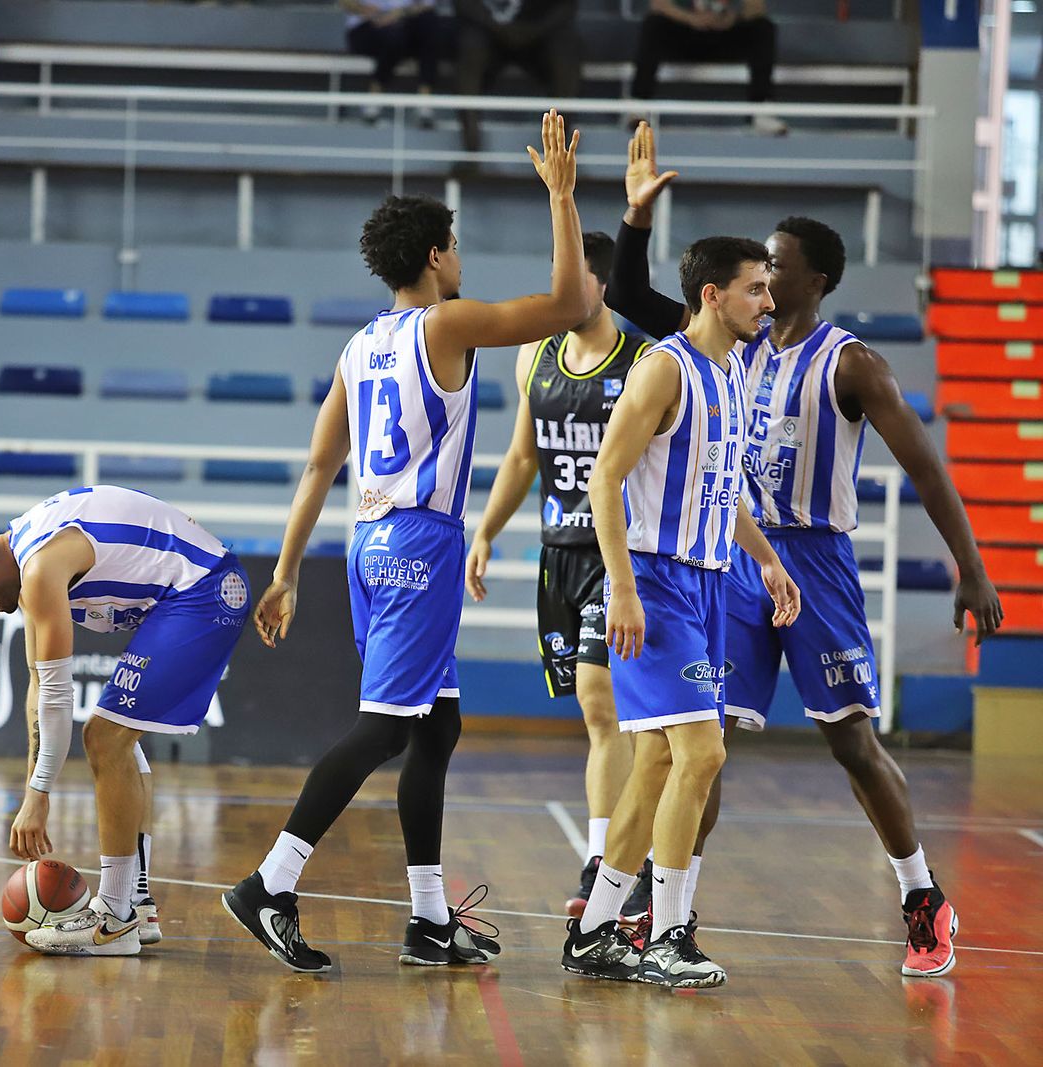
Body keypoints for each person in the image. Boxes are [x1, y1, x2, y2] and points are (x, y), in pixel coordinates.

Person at [602, 122, 1005, 977]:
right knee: (700, 743)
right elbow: (629, 290)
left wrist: (970, 567)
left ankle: (922, 895)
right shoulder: (725, 342)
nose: (765, 274)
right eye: (758, 270)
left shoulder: (851, 364)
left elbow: (928, 470)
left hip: (812, 562)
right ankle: (667, 916)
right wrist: (637, 217)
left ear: (811, 280)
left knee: (851, 742)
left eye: (777, 264)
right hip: (730, 556)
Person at [221, 111, 587, 973]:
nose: (460, 256)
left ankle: (428, 920)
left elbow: (318, 467)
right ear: (434, 257)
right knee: (387, 729)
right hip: (421, 544)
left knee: (438, 726)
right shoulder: (446, 325)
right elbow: (573, 305)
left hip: (365, 545)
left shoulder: (360, 345)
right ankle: (270, 882)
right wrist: (562, 199)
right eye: (454, 244)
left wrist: (285, 573)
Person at [559, 234, 800, 989]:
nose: (768, 300)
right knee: (702, 754)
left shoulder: (730, 372)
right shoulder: (663, 369)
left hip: (707, 584)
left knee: (661, 760)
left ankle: (595, 929)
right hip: (654, 585)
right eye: (756, 288)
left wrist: (766, 557)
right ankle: (666, 937)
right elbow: (604, 482)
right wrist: (623, 586)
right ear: (712, 295)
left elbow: (719, 495)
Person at [0, 484, 252, 956]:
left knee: (106, 738)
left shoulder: (38, 569)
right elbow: (38, 687)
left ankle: (114, 918)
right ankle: (135, 903)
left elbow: (57, 692)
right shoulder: (28, 552)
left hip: (203, 591)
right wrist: (32, 783)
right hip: (195, 589)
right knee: (119, 738)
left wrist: (38, 796)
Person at [465, 231, 653, 918]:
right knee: (593, 713)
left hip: (621, 552)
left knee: (603, 702)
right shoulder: (534, 355)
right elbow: (522, 456)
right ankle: (622, 854)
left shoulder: (642, 361)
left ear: (600, 284)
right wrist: (485, 530)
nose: (563, 292)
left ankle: (610, 860)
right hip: (558, 555)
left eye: (575, 280)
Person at [628, 0, 784, 135]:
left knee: (763, 27)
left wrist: (731, 18)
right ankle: (639, 105)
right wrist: (692, 19)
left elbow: (756, 9)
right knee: (653, 24)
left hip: (725, 35)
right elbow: (658, 5)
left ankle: (761, 111)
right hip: (685, 33)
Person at [453, 0, 582, 160]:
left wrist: (532, 31)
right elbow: (463, 5)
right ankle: (471, 149)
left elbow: (567, 6)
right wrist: (498, 28)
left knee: (566, 48)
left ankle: (559, 154)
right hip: (487, 31)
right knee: (469, 45)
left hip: (539, 31)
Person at [340, 0, 451, 126]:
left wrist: (398, 14)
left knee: (429, 24)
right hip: (366, 26)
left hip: (404, 24)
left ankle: (424, 101)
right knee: (394, 36)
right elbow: (345, 2)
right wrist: (366, 11)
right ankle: (373, 98)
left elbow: (426, 5)